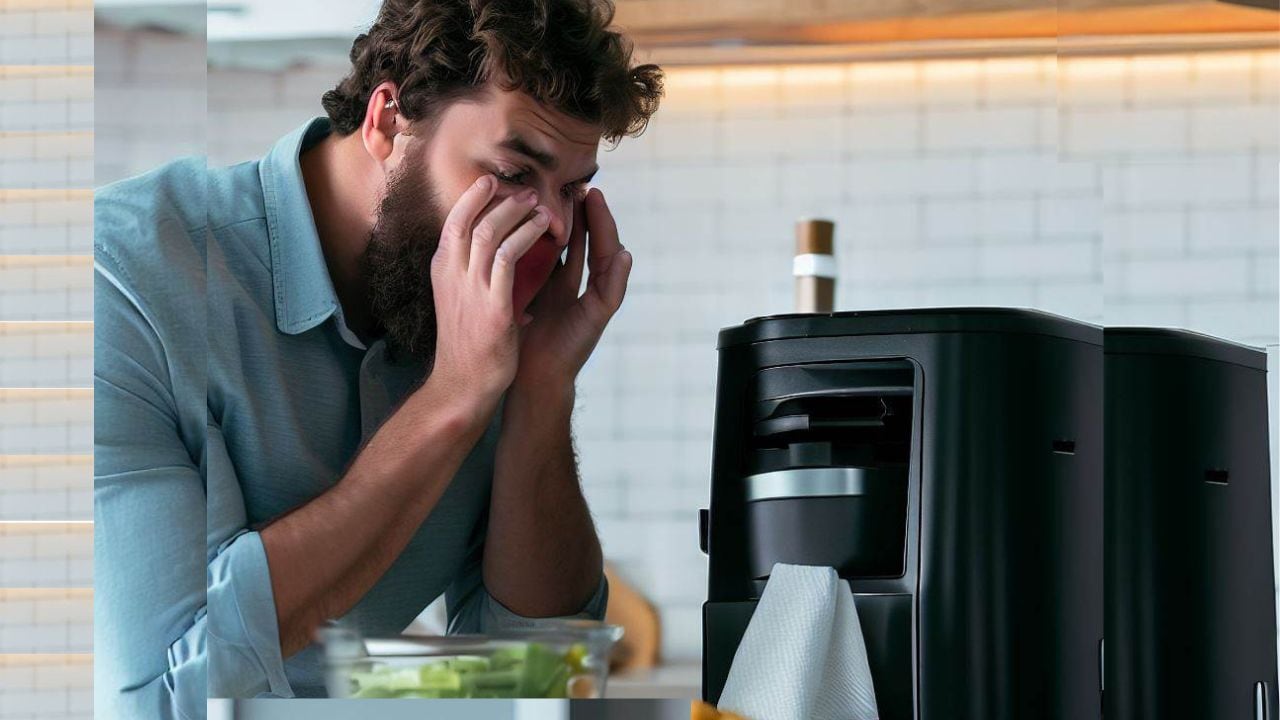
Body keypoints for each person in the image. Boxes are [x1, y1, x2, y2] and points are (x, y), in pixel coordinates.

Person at [92, 0, 663, 714]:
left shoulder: (484, 320)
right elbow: (159, 698)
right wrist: (450, 400)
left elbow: (540, 682)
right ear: (388, 122)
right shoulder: (123, 276)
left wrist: (541, 394)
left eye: (573, 189)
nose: (548, 225)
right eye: (516, 172)